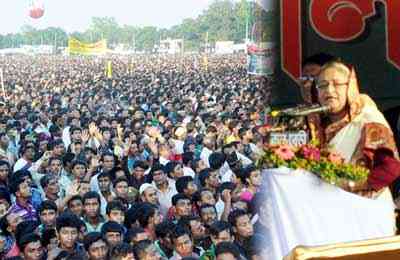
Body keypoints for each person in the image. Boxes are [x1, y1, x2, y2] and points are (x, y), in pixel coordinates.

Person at [315, 61, 400, 199]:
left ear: (350, 88)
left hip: (366, 209)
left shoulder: (368, 119)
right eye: (323, 85)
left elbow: (391, 168)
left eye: (336, 84)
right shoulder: (313, 125)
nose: (329, 90)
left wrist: (350, 185)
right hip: (327, 209)